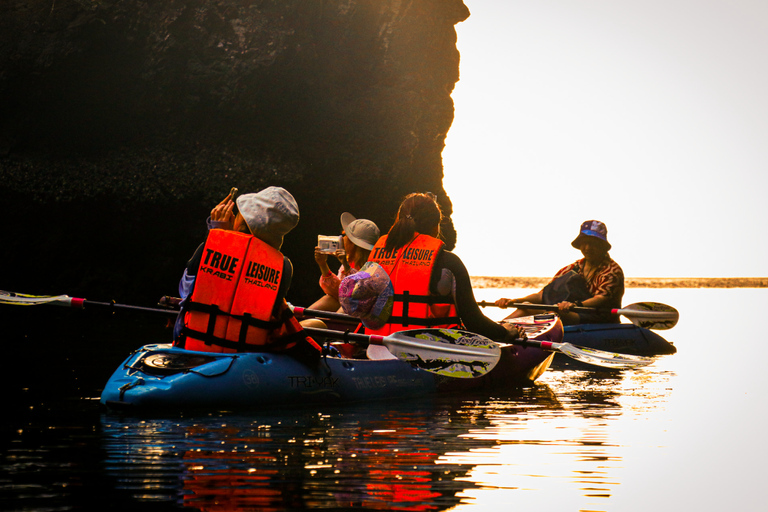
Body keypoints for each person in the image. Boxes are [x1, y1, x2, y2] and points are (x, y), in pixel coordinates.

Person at [348, 192, 522, 342]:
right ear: (435, 225)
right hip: (429, 355)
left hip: (377, 346)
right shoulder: (448, 262)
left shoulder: (376, 257)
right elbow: (474, 322)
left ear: (399, 221)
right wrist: (506, 331)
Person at [172, 186, 317, 353]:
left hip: (193, 346)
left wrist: (217, 237)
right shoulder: (283, 266)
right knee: (317, 325)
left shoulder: (209, 247)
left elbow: (186, 291)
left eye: (239, 212)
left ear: (244, 220)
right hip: (249, 354)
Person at [496, 220, 625, 325]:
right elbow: (542, 296)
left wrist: (574, 305)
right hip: (572, 313)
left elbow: (601, 298)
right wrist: (515, 300)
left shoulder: (612, 270)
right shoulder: (571, 269)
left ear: (602, 245)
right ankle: (497, 331)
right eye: (584, 243)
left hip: (599, 319)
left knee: (557, 314)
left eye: (593, 244)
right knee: (526, 306)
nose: (587, 248)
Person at [309, 212, 380, 312]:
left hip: (364, 310)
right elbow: (338, 292)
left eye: (345, 235)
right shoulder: (350, 261)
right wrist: (323, 264)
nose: (342, 239)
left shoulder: (373, 267)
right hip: (349, 303)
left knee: (346, 306)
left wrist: (347, 268)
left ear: (353, 243)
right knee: (327, 300)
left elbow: (358, 294)